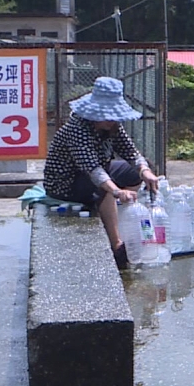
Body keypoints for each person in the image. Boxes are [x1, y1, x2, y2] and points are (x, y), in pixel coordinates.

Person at [44, 77, 159, 269]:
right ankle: (116, 245)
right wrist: (116, 192)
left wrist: (145, 171)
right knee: (104, 183)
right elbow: (93, 170)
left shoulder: (113, 127)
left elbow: (130, 152)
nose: (111, 120)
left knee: (134, 172)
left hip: (99, 171)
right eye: (107, 115)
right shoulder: (77, 129)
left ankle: (121, 218)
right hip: (66, 182)